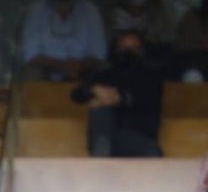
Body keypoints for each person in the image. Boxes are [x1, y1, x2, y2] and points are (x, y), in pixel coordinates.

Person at [70, 30, 164, 158]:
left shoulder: (151, 75)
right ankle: (100, 164)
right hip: (105, 139)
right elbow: (76, 95)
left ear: (141, 51)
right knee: (100, 110)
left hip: (139, 137)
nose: (128, 53)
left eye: (133, 49)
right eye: (123, 48)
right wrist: (94, 89)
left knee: (151, 151)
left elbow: (146, 98)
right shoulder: (106, 72)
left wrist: (117, 98)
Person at [19, 0, 107, 81]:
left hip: (83, 72)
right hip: (46, 71)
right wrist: (61, 66)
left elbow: (98, 54)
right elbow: (31, 54)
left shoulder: (90, 10)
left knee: (103, 71)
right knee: (30, 73)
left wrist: (79, 65)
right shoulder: (36, 10)